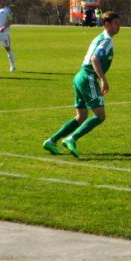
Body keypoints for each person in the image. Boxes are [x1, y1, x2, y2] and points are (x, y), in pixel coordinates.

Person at [43, 11, 122, 157]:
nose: (119, 26)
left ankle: (51, 140)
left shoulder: (100, 37)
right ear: (106, 24)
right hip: (88, 77)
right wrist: (103, 79)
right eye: (116, 23)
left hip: (80, 76)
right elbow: (94, 59)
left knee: (81, 116)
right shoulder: (106, 40)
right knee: (100, 116)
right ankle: (71, 138)